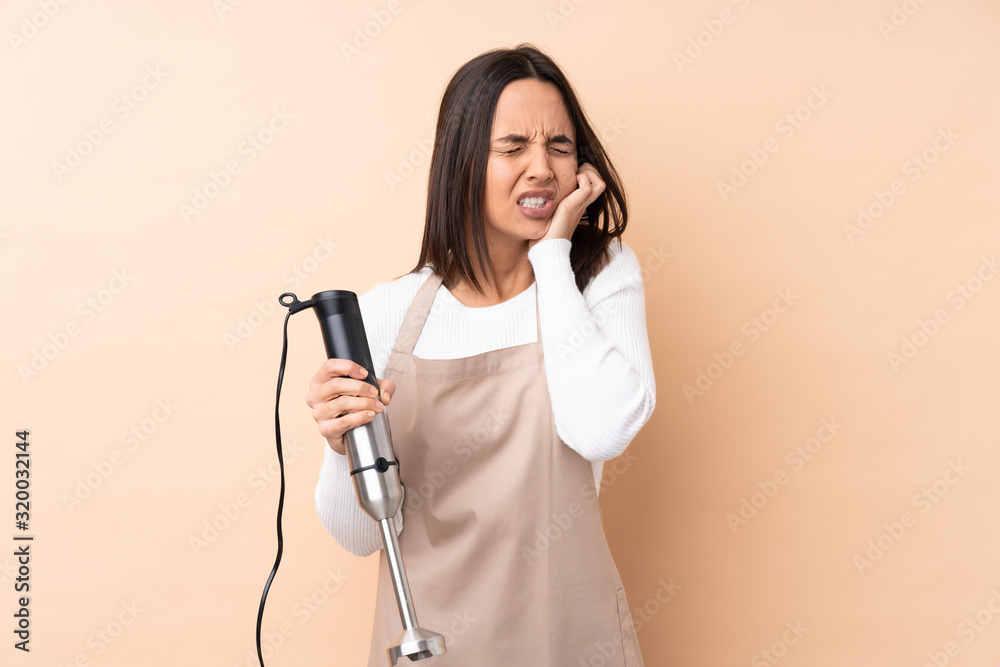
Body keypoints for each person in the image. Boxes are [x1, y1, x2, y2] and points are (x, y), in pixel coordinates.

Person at [306, 43, 655, 666]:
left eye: (560, 147)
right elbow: (360, 536)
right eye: (513, 147)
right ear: (463, 161)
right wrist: (342, 449)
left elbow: (602, 431)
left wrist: (553, 255)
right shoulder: (386, 314)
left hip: (571, 639)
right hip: (429, 645)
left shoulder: (599, 277)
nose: (542, 168)